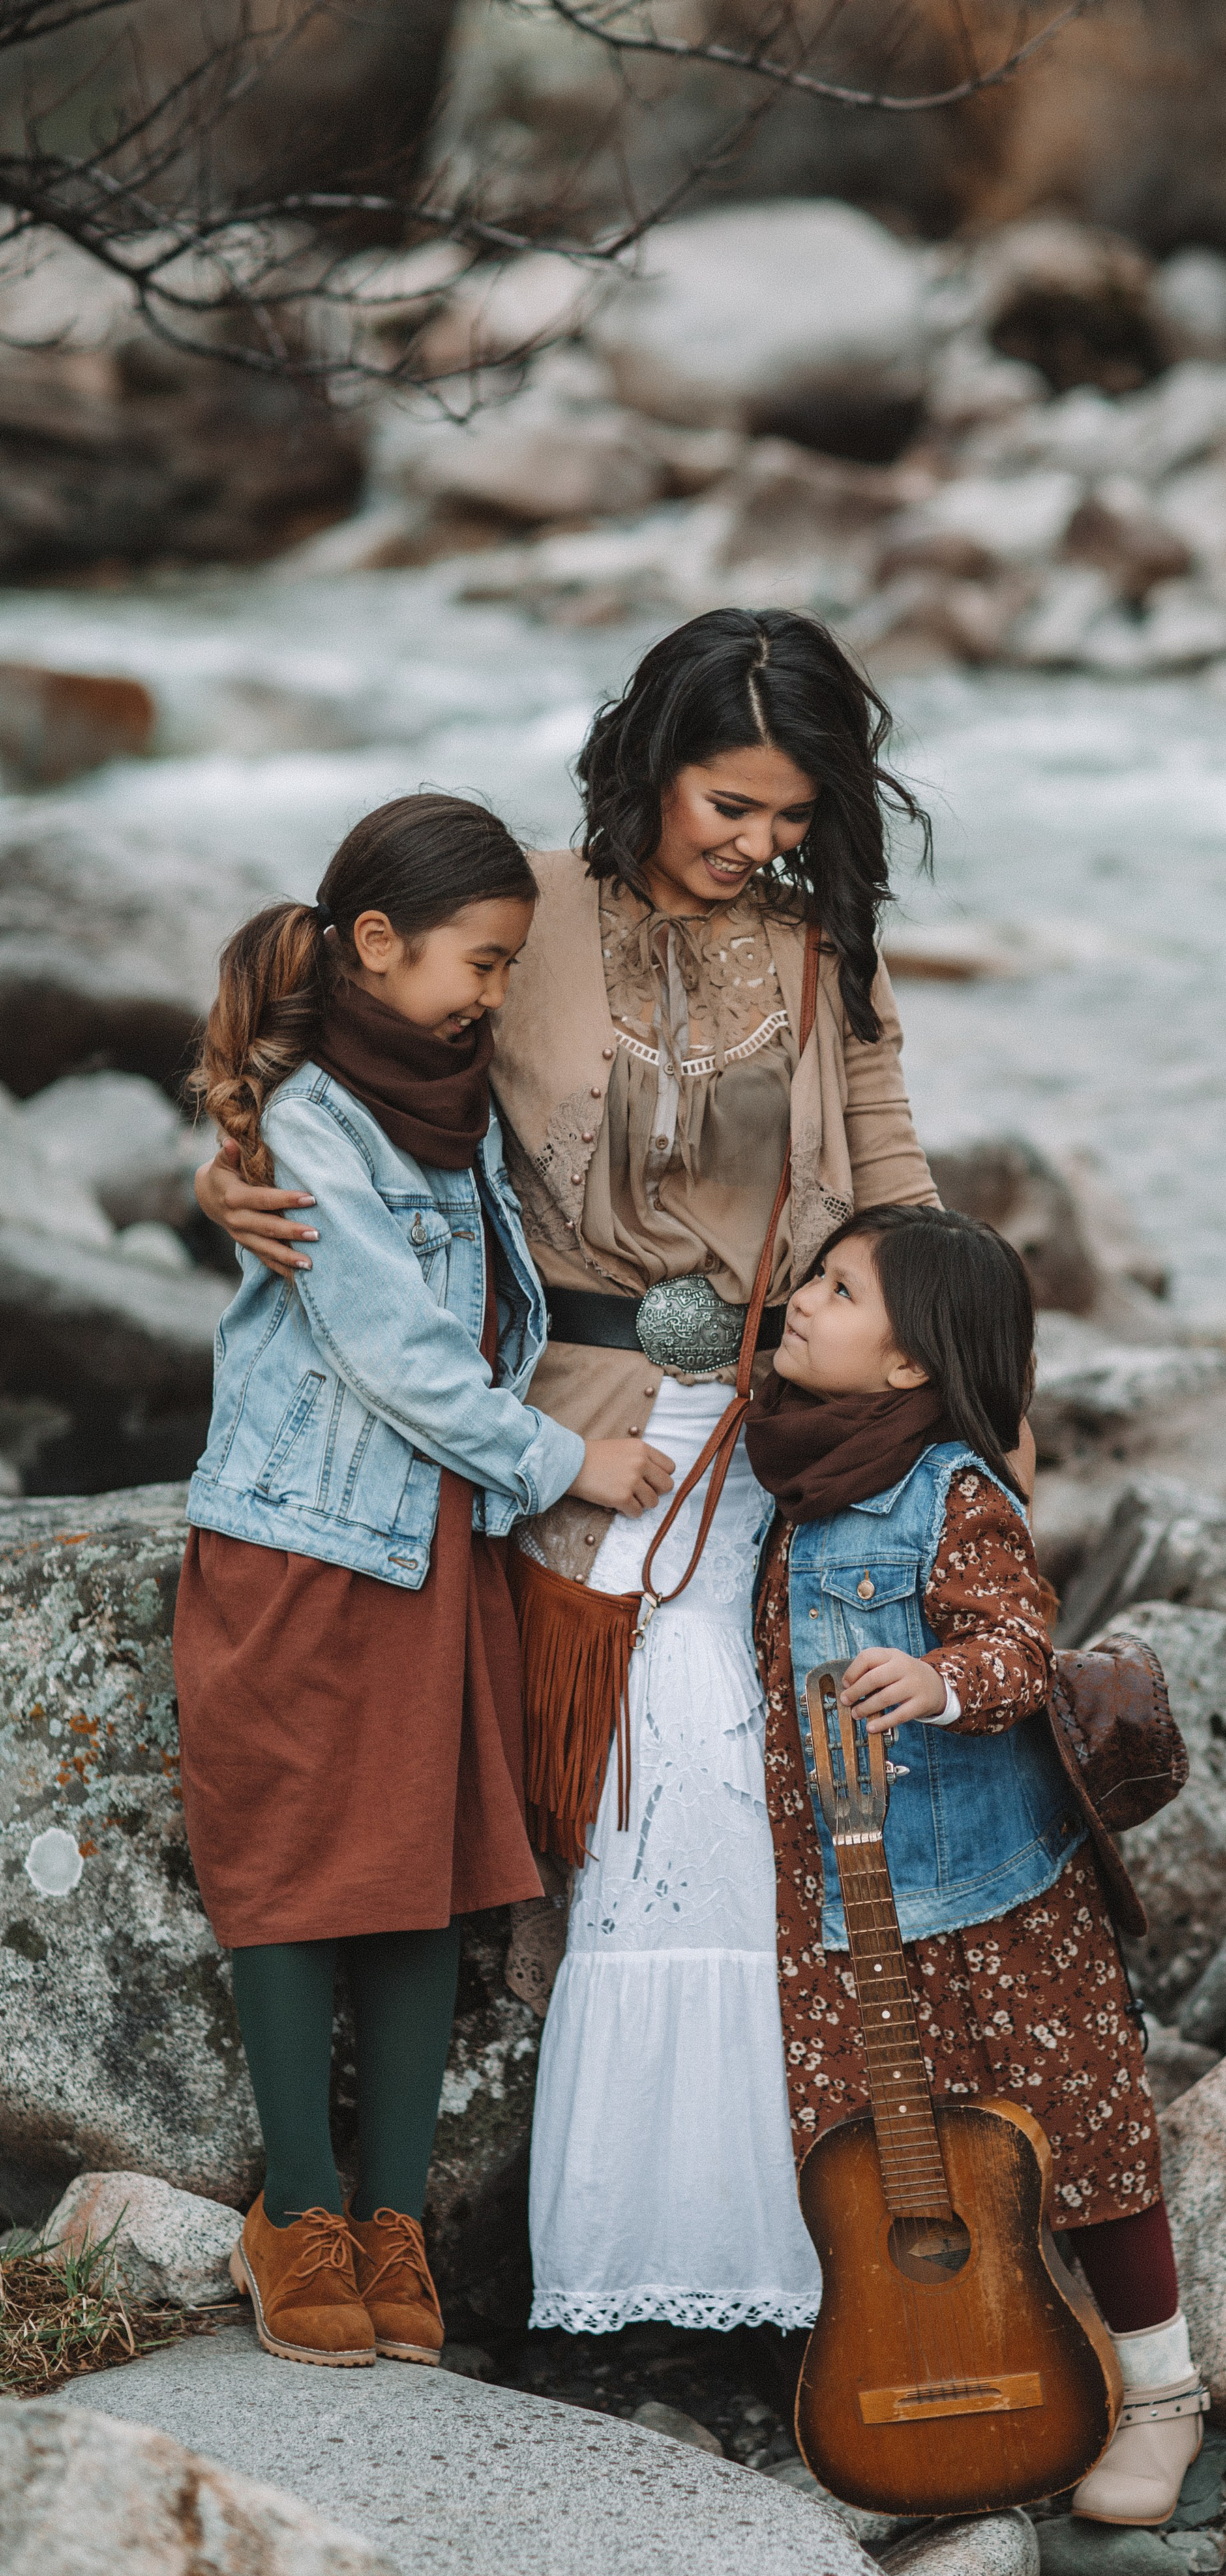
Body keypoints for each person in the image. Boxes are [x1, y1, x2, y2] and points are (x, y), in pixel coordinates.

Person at [193, 609, 945, 2339]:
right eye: (730, 802)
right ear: (651, 763)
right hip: (562, 1428)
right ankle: (611, 2263)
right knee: (645, 1784)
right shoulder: (515, 914)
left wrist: (971, 1385)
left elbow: (890, 1166)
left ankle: (781, 2264)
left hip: (778, 1421)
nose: (758, 844)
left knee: (781, 1783)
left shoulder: (828, 940)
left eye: (792, 813)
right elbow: (319, 1062)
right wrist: (222, 1184)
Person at [175, 792, 612, 2372]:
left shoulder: (456, 1094)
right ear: (375, 944)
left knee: (427, 1871)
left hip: (434, 1547)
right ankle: (297, 2212)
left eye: (508, 967)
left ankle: (395, 2219)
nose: (495, 995)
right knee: (294, 1867)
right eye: (480, 964)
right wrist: (563, 1461)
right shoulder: (310, 1120)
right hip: (307, 1544)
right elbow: (386, 1342)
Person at [745, 1203, 1208, 2526]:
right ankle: (941, 2372)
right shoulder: (793, 1466)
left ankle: (1161, 2395)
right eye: (814, 1277)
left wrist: (938, 1679)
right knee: (879, 2159)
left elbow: (1017, 1638)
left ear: (908, 1366)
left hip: (991, 1890)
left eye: (837, 1290)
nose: (803, 1300)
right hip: (840, 1900)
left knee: (1085, 2136)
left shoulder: (947, 1485)